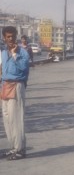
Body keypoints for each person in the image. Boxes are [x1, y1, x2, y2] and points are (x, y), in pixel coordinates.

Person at [1, 26, 30, 160]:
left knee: (16, 118)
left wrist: (14, 55)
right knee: (7, 119)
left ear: (16, 36)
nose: (11, 39)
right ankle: (13, 146)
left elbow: (24, 68)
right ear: (4, 38)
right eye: (8, 36)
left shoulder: (22, 52)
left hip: (16, 84)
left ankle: (20, 149)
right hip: (5, 85)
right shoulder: (2, 52)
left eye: (13, 36)